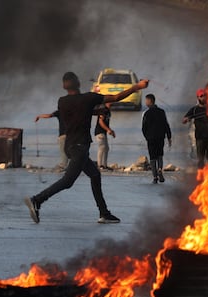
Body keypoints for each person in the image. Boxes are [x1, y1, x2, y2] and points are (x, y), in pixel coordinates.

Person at [24, 72, 149, 224]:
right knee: (67, 181)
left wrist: (95, 112)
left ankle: (104, 212)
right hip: (79, 147)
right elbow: (116, 98)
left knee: (95, 175)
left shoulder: (62, 101)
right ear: (78, 82)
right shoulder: (89, 98)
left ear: (64, 86)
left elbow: (78, 113)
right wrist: (137, 86)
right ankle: (37, 200)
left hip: (69, 146)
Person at [182, 88, 208, 169]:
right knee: (200, 160)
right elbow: (184, 120)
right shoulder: (194, 110)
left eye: (205, 95)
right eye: (201, 96)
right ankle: (201, 176)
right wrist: (187, 119)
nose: (203, 97)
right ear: (198, 98)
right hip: (200, 138)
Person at [142, 94, 172, 183]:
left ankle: (155, 177)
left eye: (146, 100)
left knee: (152, 157)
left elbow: (144, 128)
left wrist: (147, 137)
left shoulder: (147, 113)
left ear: (150, 101)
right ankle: (159, 169)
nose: (145, 102)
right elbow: (166, 125)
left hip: (151, 138)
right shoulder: (161, 112)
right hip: (160, 137)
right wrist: (169, 137)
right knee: (159, 155)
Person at [94, 107, 115, 171]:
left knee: (106, 148)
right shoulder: (103, 110)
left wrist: (110, 131)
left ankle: (104, 165)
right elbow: (101, 122)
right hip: (99, 132)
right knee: (102, 147)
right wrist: (108, 130)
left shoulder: (108, 111)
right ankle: (100, 165)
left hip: (103, 133)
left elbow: (106, 123)